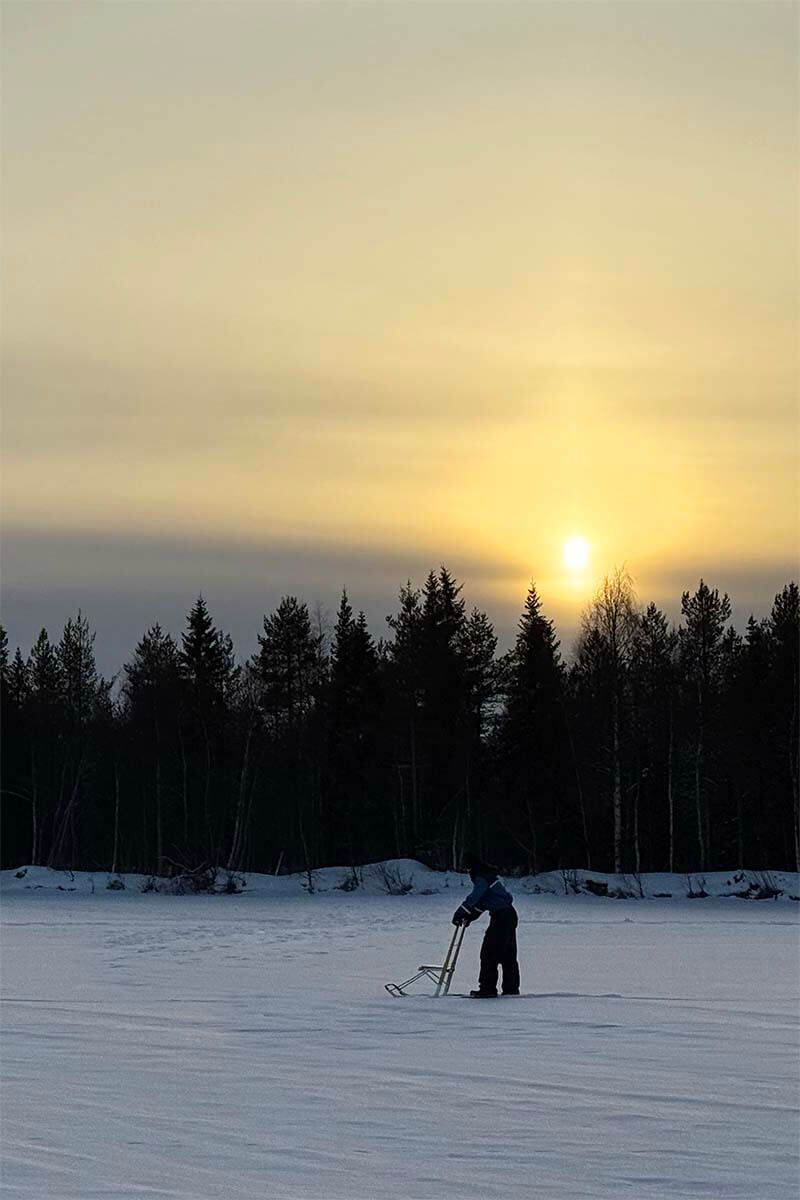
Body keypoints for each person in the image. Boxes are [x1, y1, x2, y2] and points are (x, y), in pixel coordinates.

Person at [452, 856, 520, 997]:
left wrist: (461, 911)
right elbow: (482, 903)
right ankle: (511, 988)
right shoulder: (488, 876)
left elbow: (476, 896)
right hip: (508, 915)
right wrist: (469, 916)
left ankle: (487, 989)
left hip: (502, 917)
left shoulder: (482, 877)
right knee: (508, 954)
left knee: (489, 953)